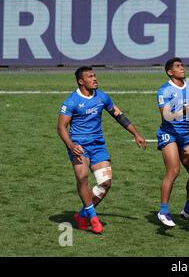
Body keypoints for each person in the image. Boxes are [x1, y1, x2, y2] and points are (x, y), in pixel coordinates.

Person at [57, 66, 147, 234]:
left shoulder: (102, 97)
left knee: (105, 183)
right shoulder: (71, 101)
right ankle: (93, 217)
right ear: (81, 81)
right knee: (82, 177)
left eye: (95, 75)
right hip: (79, 147)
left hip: (98, 146)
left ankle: (82, 214)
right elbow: (61, 127)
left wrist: (136, 133)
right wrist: (70, 145)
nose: (95, 79)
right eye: (90, 77)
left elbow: (118, 115)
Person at [156, 58, 189, 228]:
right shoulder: (164, 90)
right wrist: (184, 109)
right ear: (170, 72)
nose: (182, 68)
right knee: (173, 170)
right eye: (178, 66)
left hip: (184, 135)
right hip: (168, 134)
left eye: (182, 65)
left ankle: (188, 211)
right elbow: (166, 116)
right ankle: (163, 211)